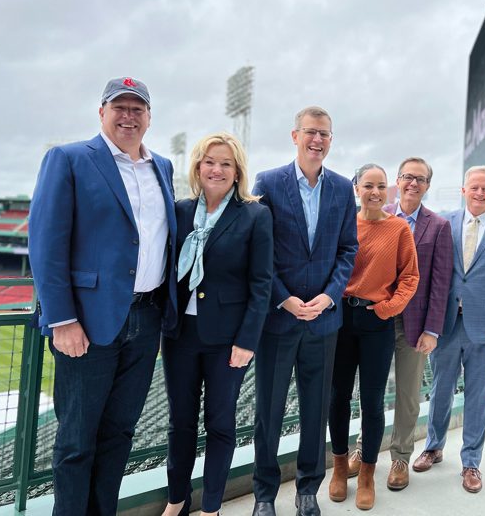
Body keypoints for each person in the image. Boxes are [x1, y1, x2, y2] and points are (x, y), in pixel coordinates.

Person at [28, 77, 177, 515]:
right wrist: (62, 320)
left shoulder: (162, 167)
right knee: (77, 440)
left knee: (119, 434)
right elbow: (46, 244)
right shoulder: (70, 158)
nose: (128, 116)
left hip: (147, 318)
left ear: (149, 117)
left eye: (138, 109)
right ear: (102, 113)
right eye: (120, 107)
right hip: (87, 324)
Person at [251, 106, 358, 516]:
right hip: (279, 319)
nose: (318, 140)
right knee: (269, 412)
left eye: (325, 134)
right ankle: (264, 494)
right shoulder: (269, 182)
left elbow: (348, 248)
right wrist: (283, 297)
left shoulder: (339, 188)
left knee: (316, 410)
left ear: (331, 140)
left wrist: (331, 295)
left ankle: (307, 489)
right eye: (311, 132)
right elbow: (260, 251)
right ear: (294, 136)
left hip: (324, 320)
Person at [161, 133, 273, 516]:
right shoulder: (179, 210)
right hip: (179, 335)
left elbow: (262, 284)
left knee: (220, 424)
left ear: (238, 170)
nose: (217, 169)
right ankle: (177, 500)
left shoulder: (255, 214)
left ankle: (211, 507)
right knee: (180, 423)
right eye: (210, 161)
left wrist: (247, 341)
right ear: (197, 166)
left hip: (228, 339)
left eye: (226, 163)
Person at [412, 165, 485, 493]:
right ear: (463, 190)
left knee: (477, 397)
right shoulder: (442, 223)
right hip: (445, 324)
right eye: (474, 187)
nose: (479, 193)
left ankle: (471, 462)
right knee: (440, 390)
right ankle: (433, 446)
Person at [347, 157, 453, 491]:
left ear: (427, 186)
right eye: (407, 177)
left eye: (420, 179)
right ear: (397, 180)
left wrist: (432, 330)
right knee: (371, 391)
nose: (413, 183)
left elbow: (440, 283)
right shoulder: (376, 212)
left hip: (414, 324)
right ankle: (364, 448)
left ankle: (400, 456)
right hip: (374, 318)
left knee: (407, 394)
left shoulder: (438, 226)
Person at [327, 163, 419, 511]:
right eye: (369, 185)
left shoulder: (398, 229)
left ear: (389, 190)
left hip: (376, 321)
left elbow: (410, 277)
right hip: (340, 319)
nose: (376, 192)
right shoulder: (344, 224)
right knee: (337, 397)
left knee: (373, 401)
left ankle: (366, 473)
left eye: (382, 186)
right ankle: (338, 468)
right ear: (356, 188)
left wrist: (387, 308)